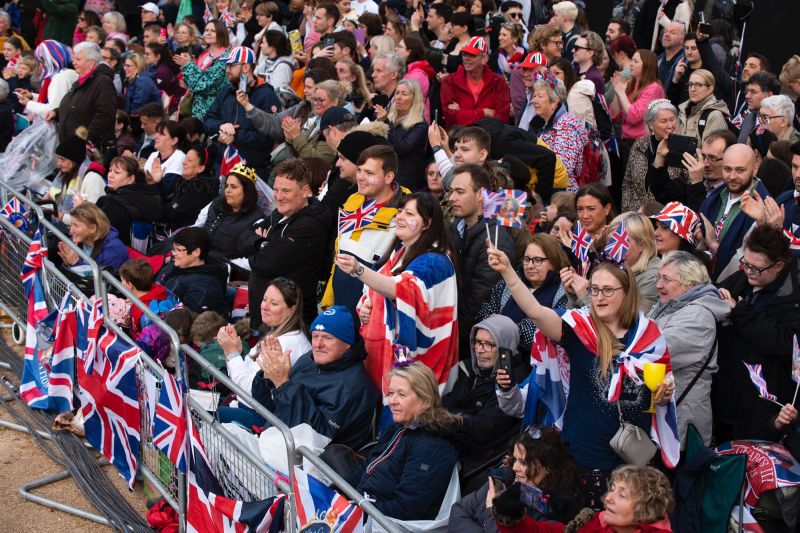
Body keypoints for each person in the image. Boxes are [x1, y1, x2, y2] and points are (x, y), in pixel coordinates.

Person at [488, 251, 677, 508]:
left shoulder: (649, 336)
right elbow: (535, 311)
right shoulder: (579, 328)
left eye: (608, 290)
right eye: (595, 289)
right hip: (585, 456)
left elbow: (661, 387)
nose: (599, 297)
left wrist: (665, 392)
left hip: (633, 460)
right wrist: (508, 272)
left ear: (627, 291)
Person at [336, 191, 458, 399]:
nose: (400, 217)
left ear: (427, 224)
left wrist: (359, 270)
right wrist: (368, 304)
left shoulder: (435, 260)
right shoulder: (400, 251)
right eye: (400, 211)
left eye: (410, 214)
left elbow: (399, 288)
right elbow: (377, 286)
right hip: (389, 355)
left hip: (418, 364)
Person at [714, 225, 800, 442]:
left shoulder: (793, 298)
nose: (749, 271)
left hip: (759, 407)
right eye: (746, 263)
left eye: (757, 268)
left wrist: (740, 312)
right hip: (722, 393)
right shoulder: (741, 280)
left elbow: (784, 344)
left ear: (779, 265)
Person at [345, 362, 460, 521]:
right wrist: (335, 494)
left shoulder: (432, 446)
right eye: (391, 393)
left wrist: (353, 510)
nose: (392, 401)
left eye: (401, 394)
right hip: (363, 508)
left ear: (424, 399)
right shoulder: (400, 427)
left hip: (384, 524)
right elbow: (366, 468)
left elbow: (406, 509)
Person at [238, 159, 332, 330]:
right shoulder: (280, 213)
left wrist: (258, 246)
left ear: (305, 191)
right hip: (267, 318)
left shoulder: (309, 226)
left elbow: (266, 264)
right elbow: (243, 237)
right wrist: (263, 244)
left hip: (288, 324)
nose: (279, 197)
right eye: (276, 190)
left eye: (286, 191)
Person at [647, 251, 727, 447]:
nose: (658, 285)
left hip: (682, 428)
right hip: (664, 420)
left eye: (666, 279)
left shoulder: (698, 316)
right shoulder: (668, 305)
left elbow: (653, 350)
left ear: (689, 283)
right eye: (659, 277)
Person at [321, 145, 409, 317]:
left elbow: (401, 278)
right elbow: (340, 257)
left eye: (369, 173)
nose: (360, 177)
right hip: (342, 311)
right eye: (360, 170)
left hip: (375, 316)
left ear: (388, 177)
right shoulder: (353, 200)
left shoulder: (405, 214)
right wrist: (329, 301)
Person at [441, 315, 523, 489]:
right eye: (477, 342)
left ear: (504, 347)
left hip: (480, 460)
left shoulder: (514, 383)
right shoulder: (469, 369)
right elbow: (448, 403)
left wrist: (449, 419)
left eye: (489, 344)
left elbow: (482, 429)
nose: (479, 349)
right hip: (454, 445)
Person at [217, 277, 311, 425]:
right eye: (264, 299)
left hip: (263, 418)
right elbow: (241, 380)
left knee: (195, 410)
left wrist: (232, 354)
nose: (265, 306)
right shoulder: (275, 332)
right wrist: (235, 352)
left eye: (273, 303)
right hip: (246, 406)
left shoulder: (286, 343)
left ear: (291, 310)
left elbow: (252, 392)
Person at [449, 427, 581, 531]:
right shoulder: (502, 482)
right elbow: (458, 511)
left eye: (523, 462)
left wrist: (492, 513)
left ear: (547, 467)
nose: (515, 467)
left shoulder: (558, 510)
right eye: (515, 459)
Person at [449, 164, 516, 361]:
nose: (452, 198)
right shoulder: (454, 228)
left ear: (481, 195)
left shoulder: (496, 239)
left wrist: (453, 339)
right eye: (452, 191)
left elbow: (480, 300)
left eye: (460, 192)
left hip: (469, 346)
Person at [492, 465, 674, 532]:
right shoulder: (596, 524)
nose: (609, 498)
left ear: (645, 511)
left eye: (622, 494)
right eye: (612, 489)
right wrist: (509, 514)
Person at [477, 234, 569, 366]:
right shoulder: (507, 283)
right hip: (496, 362)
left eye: (537, 260)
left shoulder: (563, 292)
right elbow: (484, 313)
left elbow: (539, 332)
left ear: (554, 261)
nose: (530, 265)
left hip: (537, 369)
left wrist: (501, 327)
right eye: (527, 259)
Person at [203, 46, 280, 179]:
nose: (227, 70)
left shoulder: (266, 95)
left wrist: (235, 136)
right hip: (222, 165)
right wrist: (221, 126)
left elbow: (267, 137)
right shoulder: (226, 91)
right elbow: (207, 120)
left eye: (231, 65)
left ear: (245, 67)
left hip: (250, 169)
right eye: (227, 65)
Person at [697, 144, 769, 281]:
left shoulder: (763, 206)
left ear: (755, 169)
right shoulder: (713, 197)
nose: (732, 176)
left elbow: (754, 263)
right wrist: (700, 239)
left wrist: (714, 245)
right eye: (727, 169)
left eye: (740, 170)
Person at [646, 128, 737, 213]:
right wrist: (660, 157)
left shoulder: (732, 193)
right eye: (703, 156)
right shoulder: (699, 183)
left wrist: (697, 183)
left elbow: (698, 220)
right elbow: (663, 193)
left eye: (713, 158)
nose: (705, 164)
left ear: (730, 159)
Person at [49, 41, 116, 155]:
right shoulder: (81, 81)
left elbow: (105, 115)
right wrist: (56, 113)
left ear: (91, 62)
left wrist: (84, 139)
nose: (73, 62)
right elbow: (72, 106)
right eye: (74, 59)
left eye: (78, 60)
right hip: (73, 147)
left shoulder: (102, 82)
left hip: (89, 151)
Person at [621, 99, 686, 212]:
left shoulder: (682, 148)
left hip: (668, 216)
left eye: (672, 119)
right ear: (651, 125)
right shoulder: (640, 145)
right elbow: (628, 182)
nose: (670, 125)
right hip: (639, 216)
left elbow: (689, 186)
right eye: (664, 121)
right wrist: (628, 211)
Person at [526, 75, 588, 191]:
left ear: (554, 101)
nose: (534, 100)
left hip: (562, 194)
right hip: (547, 187)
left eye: (540, 96)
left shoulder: (566, 126)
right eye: (534, 96)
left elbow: (563, 166)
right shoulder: (540, 123)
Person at [200, 163, 264, 265]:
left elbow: (249, 258)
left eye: (233, 187)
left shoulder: (256, 220)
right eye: (227, 186)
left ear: (247, 191)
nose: (227, 190)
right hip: (198, 258)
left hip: (221, 269)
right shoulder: (218, 203)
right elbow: (198, 226)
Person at [440, 36, 511, 129]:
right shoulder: (450, 81)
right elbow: (450, 117)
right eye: (465, 54)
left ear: (484, 59)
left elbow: (502, 118)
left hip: (489, 138)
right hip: (458, 138)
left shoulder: (498, 82)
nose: (466, 58)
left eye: (472, 55)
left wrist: (463, 113)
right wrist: (484, 113)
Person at [154, 227, 228, 314]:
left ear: (196, 252)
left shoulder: (206, 286)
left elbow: (186, 320)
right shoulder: (177, 263)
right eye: (174, 249)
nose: (173, 254)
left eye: (178, 250)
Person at [95, 156, 163, 247]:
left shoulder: (114, 203)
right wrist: (153, 185)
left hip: (111, 252)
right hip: (132, 254)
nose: (110, 175)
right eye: (110, 170)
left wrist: (83, 211)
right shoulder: (144, 196)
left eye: (117, 172)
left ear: (131, 179)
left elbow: (95, 231)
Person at [156, 144, 218, 238]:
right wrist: (158, 183)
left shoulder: (198, 190)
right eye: (185, 159)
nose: (184, 163)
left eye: (189, 160)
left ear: (201, 168)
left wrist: (156, 184)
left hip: (184, 239)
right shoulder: (186, 183)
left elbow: (169, 214)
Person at [175, 20, 230, 120]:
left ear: (221, 33)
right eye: (206, 30)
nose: (208, 33)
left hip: (213, 112)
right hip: (197, 110)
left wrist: (188, 65)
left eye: (213, 31)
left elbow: (203, 86)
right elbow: (194, 82)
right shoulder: (203, 54)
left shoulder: (225, 57)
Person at [47, 132, 106, 224]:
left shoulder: (93, 179)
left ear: (75, 160)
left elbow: (94, 218)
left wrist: (61, 216)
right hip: (65, 227)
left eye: (63, 159)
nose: (58, 164)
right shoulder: (66, 173)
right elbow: (51, 195)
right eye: (58, 158)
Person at [610, 49, 665, 145]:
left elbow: (633, 117)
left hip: (642, 144)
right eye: (632, 60)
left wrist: (621, 92)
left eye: (636, 61)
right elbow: (615, 114)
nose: (631, 64)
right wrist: (617, 91)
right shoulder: (630, 84)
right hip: (625, 140)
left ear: (647, 65)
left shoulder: (654, 88)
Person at [57, 203, 129, 275]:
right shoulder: (78, 240)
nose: (71, 231)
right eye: (71, 225)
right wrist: (67, 264)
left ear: (92, 228)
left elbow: (102, 284)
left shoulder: (114, 251)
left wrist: (75, 263)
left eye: (76, 226)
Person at [119, 258, 179, 340]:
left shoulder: (150, 314)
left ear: (130, 285)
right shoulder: (159, 290)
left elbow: (150, 342)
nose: (120, 283)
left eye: (122, 280)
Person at [384, 78, 428, 190]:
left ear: (414, 99)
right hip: (385, 173)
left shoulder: (421, 124)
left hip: (405, 180)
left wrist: (385, 122)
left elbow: (402, 148)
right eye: (397, 93)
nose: (398, 97)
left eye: (404, 94)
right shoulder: (389, 118)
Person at [17, 40, 77, 118]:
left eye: (42, 61)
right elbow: (52, 98)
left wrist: (29, 104)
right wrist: (32, 96)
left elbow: (53, 108)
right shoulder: (59, 74)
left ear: (49, 60)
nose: (41, 66)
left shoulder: (60, 77)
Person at [675, 68, 731, 146]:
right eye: (690, 84)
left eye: (698, 85)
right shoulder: (683, 110)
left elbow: (713, 153)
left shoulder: (714, 115)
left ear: (710, 89)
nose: (692, 89)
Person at [736, 72, 781, 144]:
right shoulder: (748, 118)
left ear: (769, 95)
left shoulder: (780, 123)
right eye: (747, 91)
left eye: (753, 92)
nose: (747, 96)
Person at [572, 31, 605, 96]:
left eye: (576, 48)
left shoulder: (594, 78)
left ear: (590, 53)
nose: (572, 50)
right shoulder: (575, 71)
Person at [656, 21, 685, 92]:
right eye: (665, 31)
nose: (667, 34)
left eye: (673, 33)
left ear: (682, 39)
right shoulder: (658, 60)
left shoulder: (685, 62)